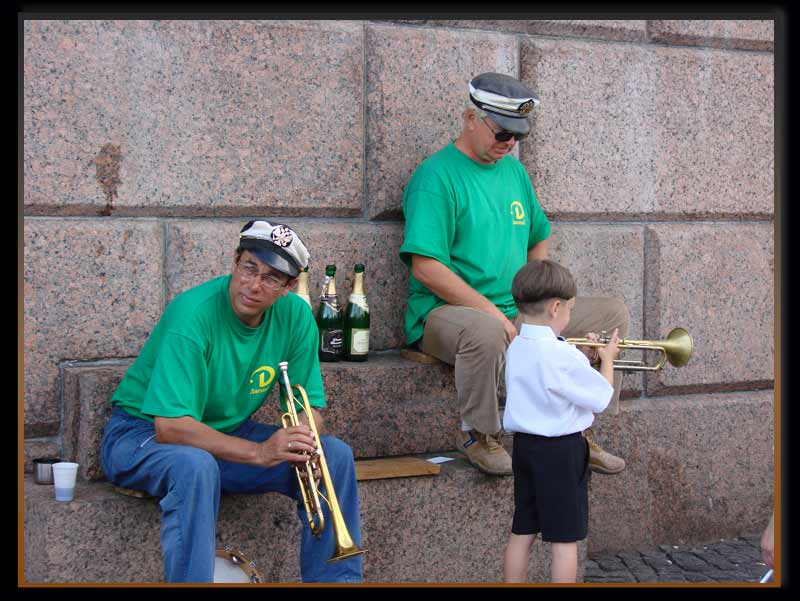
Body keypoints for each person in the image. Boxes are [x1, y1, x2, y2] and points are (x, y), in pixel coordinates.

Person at [100, 220, 363, 583]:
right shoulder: (192, 314)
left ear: (289, 286)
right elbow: (170, 426)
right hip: (139, 435)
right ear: (234, 262)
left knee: (332, 455)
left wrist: (305, 435)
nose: (254, 285)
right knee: (195, 466)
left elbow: (309, 407)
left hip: (223, 433)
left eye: (271, 278)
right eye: (249, 268)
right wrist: (258, 453)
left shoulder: (297, 317)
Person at [399, 71, 629, 477]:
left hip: (512, 307)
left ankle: (572, 430)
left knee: (610, 314)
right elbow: (427, 267)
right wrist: (493, 312)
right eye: (502, 132)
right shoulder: (435, 177)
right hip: (444, 313)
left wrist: (537, 299)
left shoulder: (514, 173)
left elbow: (539, 235)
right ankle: (478, 433)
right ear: (471, 117)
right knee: (486, 332)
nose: (509, 144)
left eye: (518, 136)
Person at [502, 259, 619, 582]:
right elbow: (601, 396)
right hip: (562, 452)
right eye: (569, 310)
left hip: (525, 449)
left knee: (522, 530)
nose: (569, 316)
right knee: (564, 541)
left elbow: (551, 379)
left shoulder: (516, 346)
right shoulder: (561, 354)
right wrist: (607, 360)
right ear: (556, 307)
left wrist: (580, 354)